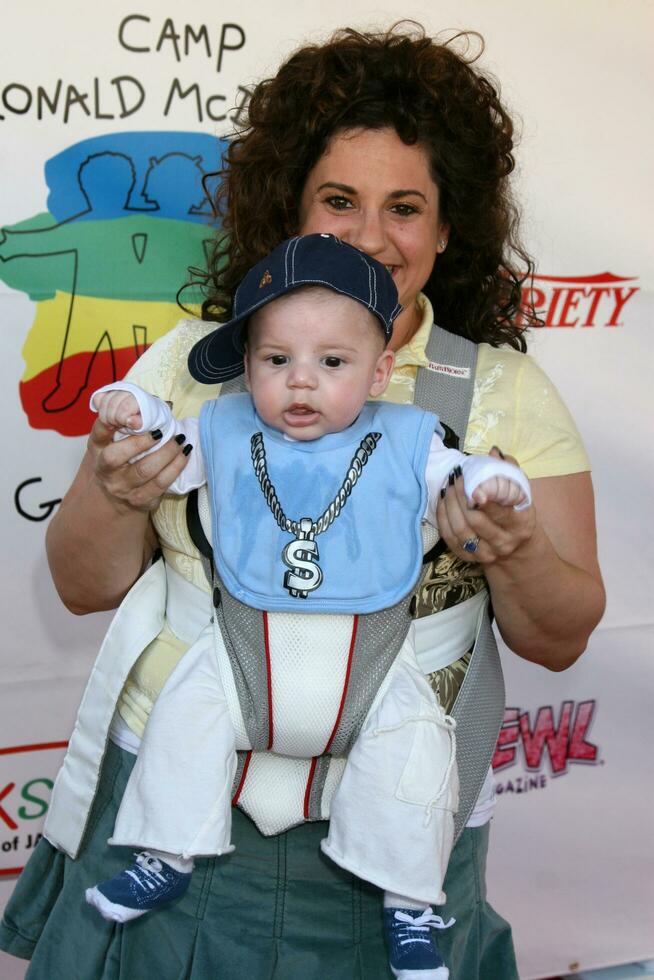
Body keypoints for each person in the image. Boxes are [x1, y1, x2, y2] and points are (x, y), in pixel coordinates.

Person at [0, 24, 604, 980]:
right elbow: (82, 588)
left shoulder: (502, 396)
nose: (370, 235)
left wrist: (512, 547)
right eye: (338, 201)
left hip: (399, 829)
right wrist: (114, 494)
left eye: (404, 207)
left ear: (449, 231)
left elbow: (560, 637)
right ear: (288, 210)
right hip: (173, 797)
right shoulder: (190, 374)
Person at [84, 235, 530, 980]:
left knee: (414, 752)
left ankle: (409, 903)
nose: (299, 383)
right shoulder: (228, 431)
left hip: (374, 664)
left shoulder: (407, 439)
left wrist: (488, 481)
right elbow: (171, 443)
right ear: (247, 365)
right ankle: (166, 853)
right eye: (275, 360)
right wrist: (135, 410)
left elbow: (456, 471)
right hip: (241, 655)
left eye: (332, 362)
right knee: (183, 720)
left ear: (380, 371)